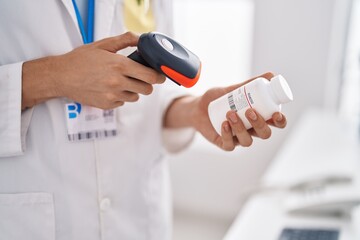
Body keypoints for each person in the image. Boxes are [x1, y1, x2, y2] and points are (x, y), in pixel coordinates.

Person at [0, 0, 287, 239]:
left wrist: (194, 111)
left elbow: (155, 97)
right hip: (34, 221)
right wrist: (54, 77)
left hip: (138, 219)